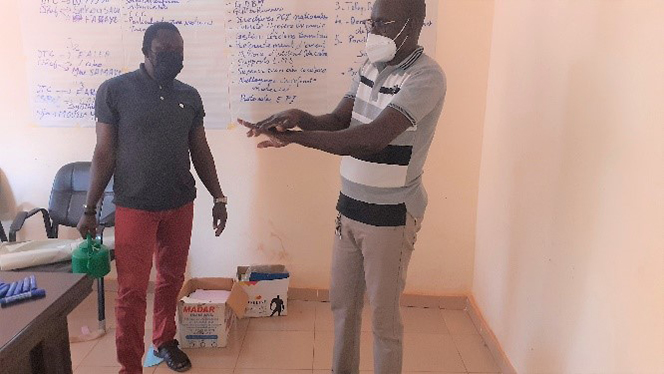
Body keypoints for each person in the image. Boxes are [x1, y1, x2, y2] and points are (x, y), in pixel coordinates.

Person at [239, 0, 445, 372]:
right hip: (348, 208)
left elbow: (370, 138)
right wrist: (300, 118)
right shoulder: (368, 66)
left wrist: (298, 139)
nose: (374, 31)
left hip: (390, 217)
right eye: (372, 21)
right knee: (343, 307)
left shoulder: (426, 78)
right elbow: (338, 121)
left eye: (384, 22)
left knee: (383, 321)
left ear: (414, 22)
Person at [77, 22, 228, 373]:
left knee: (171, 278)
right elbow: (104, 152)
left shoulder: (189, 95)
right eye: (164, 51)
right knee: (130, 292)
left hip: (180, 203)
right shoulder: (115, 90)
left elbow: (200, 148)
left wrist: (219, 197)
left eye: (179, 52)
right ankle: (130, 365)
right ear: (146, 51)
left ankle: (164, 341)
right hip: (134, 206)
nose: (172, 58)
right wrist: (89, 207)